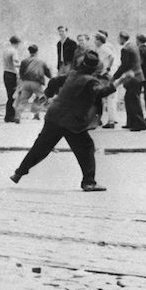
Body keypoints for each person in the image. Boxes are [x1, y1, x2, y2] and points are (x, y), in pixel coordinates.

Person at [9, 49, 116, 192]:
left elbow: (54, 81)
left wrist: (46, 95)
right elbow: (100, 93)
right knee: (86, 147)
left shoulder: (72, 74)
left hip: (54, 116)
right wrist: (119, 82)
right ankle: (89, 182)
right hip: (71, 121)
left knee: (41, 147)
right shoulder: (90, 81)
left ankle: (19, 172)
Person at [112, 31, 146, 131]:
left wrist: (114, 77)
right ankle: (131, 122)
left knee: (133, 101)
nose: (118, 40)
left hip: (133, 78)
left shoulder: (125, 49)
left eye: (118, 38)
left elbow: (124, 66)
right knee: (129, 99)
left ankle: (139, 124)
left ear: (122, 38)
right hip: (138, 76)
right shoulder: (133, 46)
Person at [15, 44, 51, 123]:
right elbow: (47, 73)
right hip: (36, 83)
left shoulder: (24, 61)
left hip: (26, 83)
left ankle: (18, 115)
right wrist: (51, 77)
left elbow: (21, 73)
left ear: (29, 51)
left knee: (23, 100)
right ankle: (36, 113)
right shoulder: (41, 61)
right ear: (37, 51)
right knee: (40, 98)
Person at [94, 30, 119, 129]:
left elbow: (112, 57)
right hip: (106, 74)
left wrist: (107, 69)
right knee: (109, 97)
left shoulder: (104, 48)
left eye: (95, 39)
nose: (94, 41)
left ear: (99, 40)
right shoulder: (102, 48)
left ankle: (111, 121)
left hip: (108, 75)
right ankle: (112, 119)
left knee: (110, 97)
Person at [1, 35, 22, 123]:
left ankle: (8, 115)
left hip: (5, 73)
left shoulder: (5, 51)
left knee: (9, 95)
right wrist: (23, 65)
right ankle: (10, 116)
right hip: (12, 74)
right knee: (13, 96)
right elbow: (15, 63)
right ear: (17, 43)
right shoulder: (14, 51)